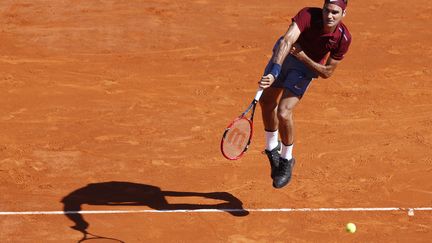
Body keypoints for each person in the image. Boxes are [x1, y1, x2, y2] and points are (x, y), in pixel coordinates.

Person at [258, 0, 352, 189]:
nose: (329, 16)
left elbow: (326, 72)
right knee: (267, 102)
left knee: (283, 112)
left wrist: (303, 57)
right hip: (284, 57)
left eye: (335, 12)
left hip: (306, 68)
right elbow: (287, 41)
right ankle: (271, 149)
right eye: (327, 10)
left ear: (344, 13)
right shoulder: (307, 15)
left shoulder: (343, 38)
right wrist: (274, 71)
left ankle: (286, 159)